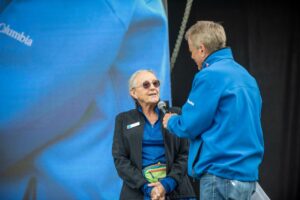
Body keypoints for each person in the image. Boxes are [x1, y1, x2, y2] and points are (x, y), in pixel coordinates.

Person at [162, 21, 264, 200]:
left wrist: (171, 121)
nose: (192, 57)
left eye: (191, 51)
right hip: (246, 176)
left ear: (201, 49)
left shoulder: (209, 75)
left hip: (221, 174)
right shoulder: (247, 77)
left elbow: (189, 125)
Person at [112, 69, 196, 200]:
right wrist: (147, 188)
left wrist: (167, 185)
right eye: (146, 85)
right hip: (139, 192)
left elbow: (186, 154)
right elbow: (120, 159)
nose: (153, 88)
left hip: (176, 190)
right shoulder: (124, 120)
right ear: (133, 93)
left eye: (156, 83)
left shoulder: (174, 114)